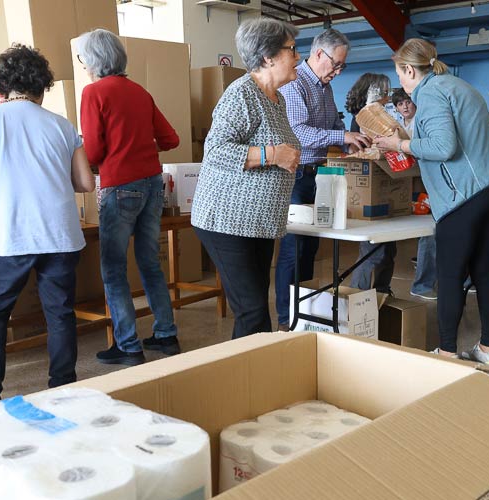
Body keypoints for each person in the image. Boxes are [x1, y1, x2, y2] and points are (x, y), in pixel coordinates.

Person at [0, 44, 95, 410]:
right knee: (59, 313)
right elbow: (85, 182)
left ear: (1, 85)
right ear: (42, 85)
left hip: (10, 236)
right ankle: (62, 389)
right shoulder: (62, 125)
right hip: (60, 235)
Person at [375, 39, 489, 366]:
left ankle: (447, 353)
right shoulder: (458, 85)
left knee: (449, 274)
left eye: (400, 73)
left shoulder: (431, 93)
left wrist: (400, 145)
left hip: (465, 193)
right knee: (482, 268)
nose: (400, 81)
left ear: (410, 70)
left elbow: (443, 146)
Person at [190, 18, 301, 339]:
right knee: (252, 311)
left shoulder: (276, 99)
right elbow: (216, 150)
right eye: (292, 50)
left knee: (255, 309)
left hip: (257, 224)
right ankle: (248, 369)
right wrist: (273, 154)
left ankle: (250, 367)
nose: (298, 57)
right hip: (226, 221)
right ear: (268, 57)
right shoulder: (241, 94)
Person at [77, 29, 181, 365]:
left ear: (92, 61)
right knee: (150, 262)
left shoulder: (93, 92)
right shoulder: (140, 92)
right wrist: (140, 146)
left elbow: (94, 151)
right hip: (152, 183)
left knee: (113, 268)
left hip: (120, 185)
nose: (83, 66)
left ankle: (127, 345)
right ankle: (166, 334)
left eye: (83, 59)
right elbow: (171, 139)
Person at [275, 28, 370, 331]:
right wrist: (342, 136)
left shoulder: (325, 88)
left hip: (318, 175)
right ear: (318, 54)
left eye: (343, 66)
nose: (338, 71)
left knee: (310, 248)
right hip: (296, 175)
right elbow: (299, 133)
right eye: (336, 64)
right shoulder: (296, 83)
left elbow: (334, 125)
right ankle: (286, 317)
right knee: (294, 248)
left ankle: (304, 311)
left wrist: (351, 142)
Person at [345, 73, 398, 295]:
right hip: (369, 187)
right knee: (373, 250)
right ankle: (358, 296)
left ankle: (382, 293)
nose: (387, 95)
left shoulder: (378, 115)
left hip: (384, 185)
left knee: (388, 249)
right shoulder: (364, 117)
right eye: (383, 91)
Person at [393, 89, 436, 301]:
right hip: (404, 179)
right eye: (401, 103)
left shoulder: (423, 121)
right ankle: (423, 283)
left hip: (425, 177)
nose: (405, 106)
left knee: (429, 229)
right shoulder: (395, 126)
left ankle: (424, 283)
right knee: (427, 229)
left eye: (408, 102)